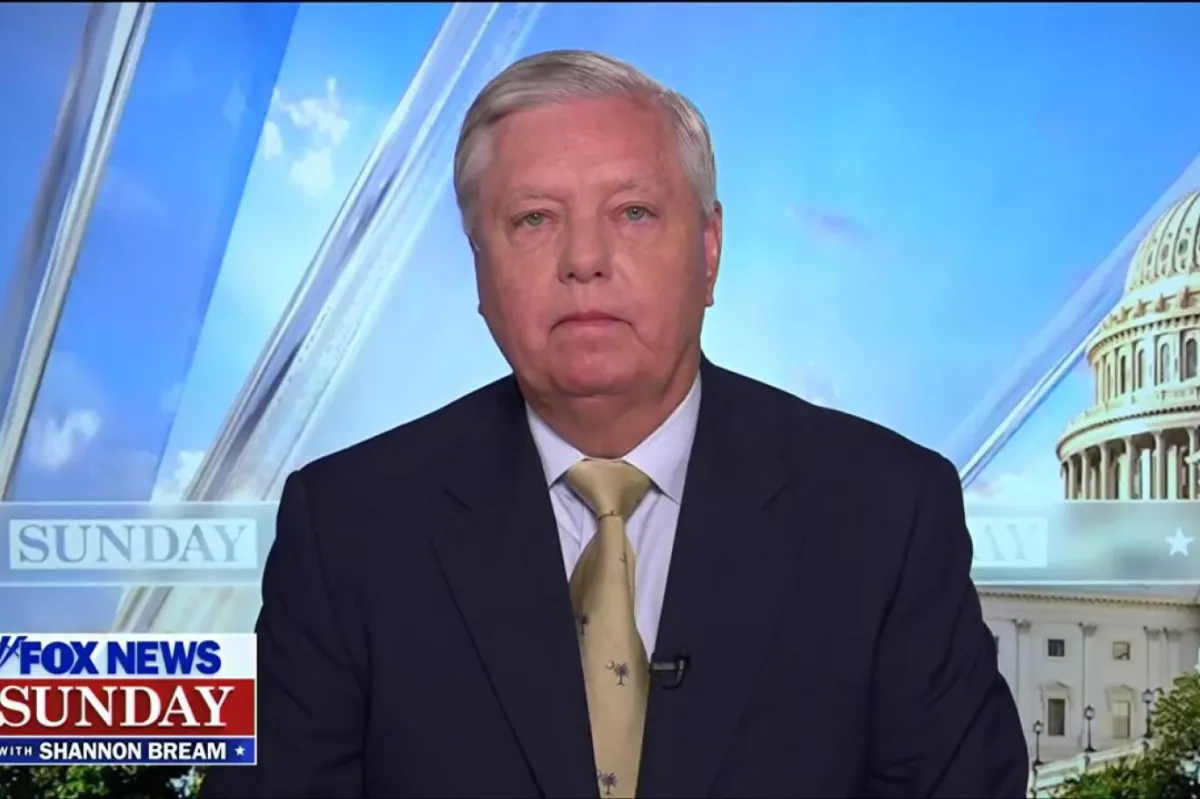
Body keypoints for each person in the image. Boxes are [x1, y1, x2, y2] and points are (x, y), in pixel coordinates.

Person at [202, 49, 1028, 798]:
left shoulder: (887, 512)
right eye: (534, 219)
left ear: (709, 249)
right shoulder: (345, 527)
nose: (585, 260)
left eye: (633, 212)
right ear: (479, 267)